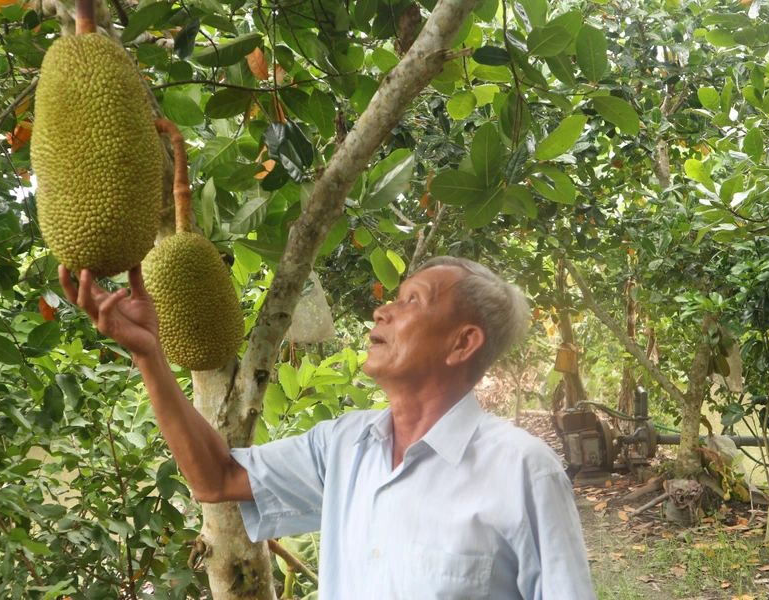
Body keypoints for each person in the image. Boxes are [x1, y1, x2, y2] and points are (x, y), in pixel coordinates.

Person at [59, 256, 596, 599]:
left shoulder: (522, 470)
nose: (383, 309)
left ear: (463, 343)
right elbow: (214, 478)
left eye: (413, 300)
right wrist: (149, 355)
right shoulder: (344, 445)